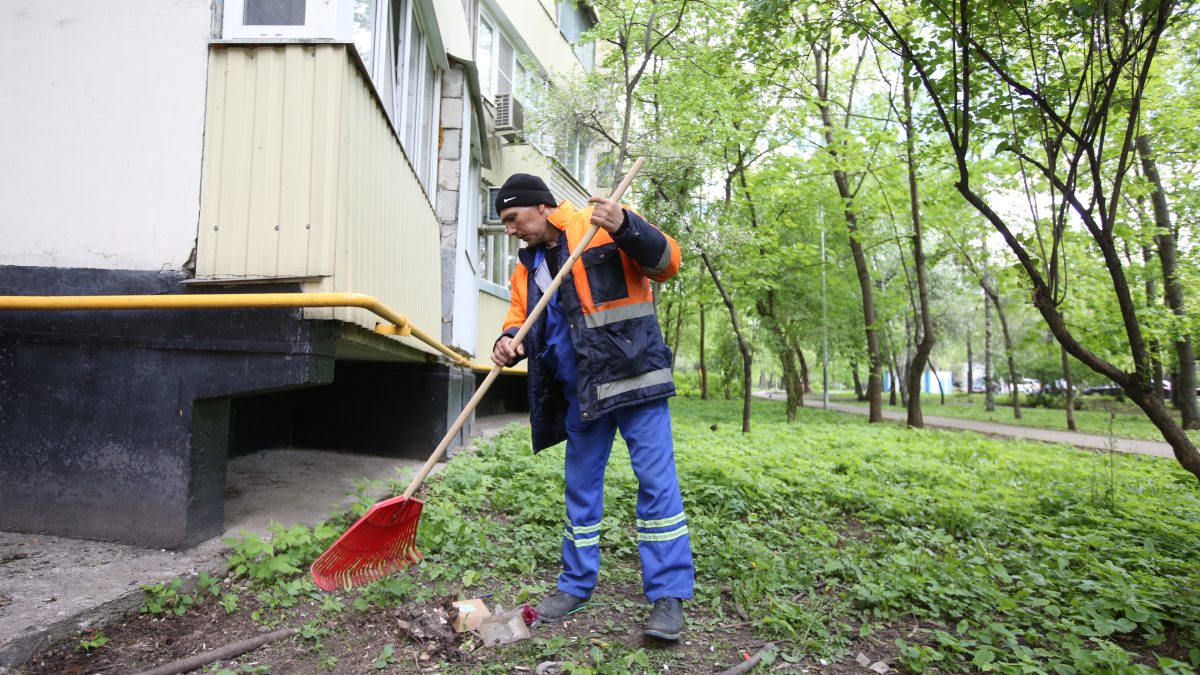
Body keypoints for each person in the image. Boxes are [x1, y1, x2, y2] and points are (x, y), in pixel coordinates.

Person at [490, 173, 693, 641]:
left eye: (512, 218)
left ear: (540, 207)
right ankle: (575, 585)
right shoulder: (527, 267)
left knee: (657, 488)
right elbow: (517, 320)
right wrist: (505, 342)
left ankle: (668, 596)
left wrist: (625, 225)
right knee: (580, 491)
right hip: (580, 394)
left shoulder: (598, 223)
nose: (510, 229)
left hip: (635, 381)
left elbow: (667, 263)